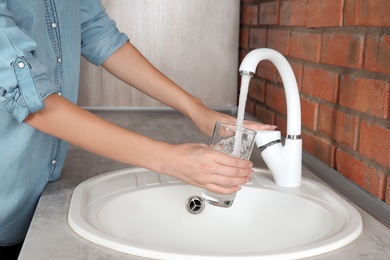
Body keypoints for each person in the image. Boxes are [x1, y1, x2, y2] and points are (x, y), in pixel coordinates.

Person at [0, 0, 275, 258]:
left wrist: (195, 109)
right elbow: (28, 95)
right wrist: (173, 160)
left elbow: (97, 33)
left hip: (36, 193)